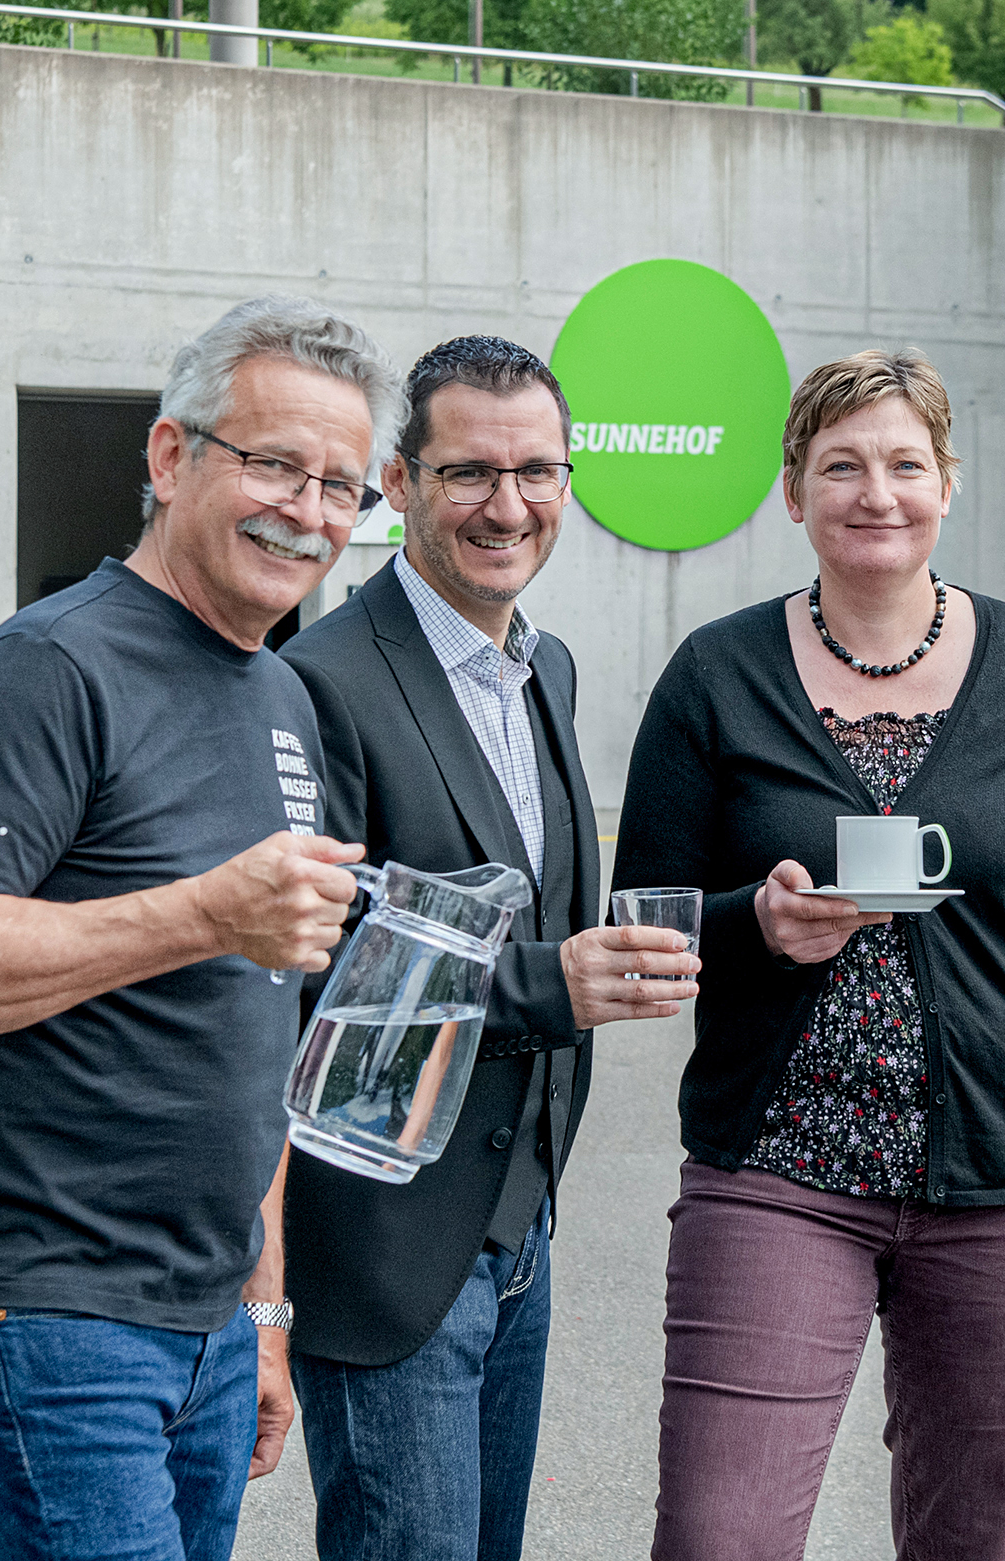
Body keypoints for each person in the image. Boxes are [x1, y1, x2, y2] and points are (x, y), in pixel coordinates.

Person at [0, 295, 402, 1561]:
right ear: (171, 458)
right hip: (46, 1299)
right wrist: (208, 909)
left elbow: (256, 1028)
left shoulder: (281, 691)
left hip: (208, 1309)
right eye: (272, 462)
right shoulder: (48, 669)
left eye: (339, 485)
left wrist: (263, 1305)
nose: (308, 511)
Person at [617, 348, 1005, 1561]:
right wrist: (751, 922)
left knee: (972, 1540)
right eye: (841, 464)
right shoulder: (716, 672)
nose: (876, 492)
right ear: (792, 491)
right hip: (777, 1169)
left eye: (905, 463)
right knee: (719, 1535)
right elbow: (639, 921)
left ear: (948, 483)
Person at [279, 336, 699, 1561]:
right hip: (388, 1242)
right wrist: (543, 983)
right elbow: (312, 956)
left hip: (518, 1229)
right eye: (468, 473)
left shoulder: (542, 666)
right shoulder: (319, 680)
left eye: (535, 472)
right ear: (400, 483)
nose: (505, 505)